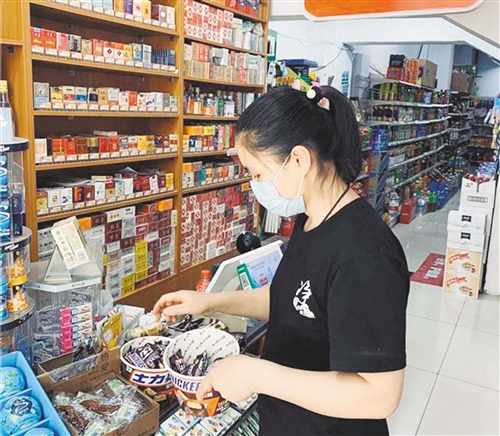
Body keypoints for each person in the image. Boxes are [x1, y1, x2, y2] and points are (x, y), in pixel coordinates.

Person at [153, 86, 409, 436]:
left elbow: (379, 395)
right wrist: (210, 302)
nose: (254, 184)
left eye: (257, 174)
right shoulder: (312, 219)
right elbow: (293, 300)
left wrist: (257, 374)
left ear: (299, 160)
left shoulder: (365, 255)